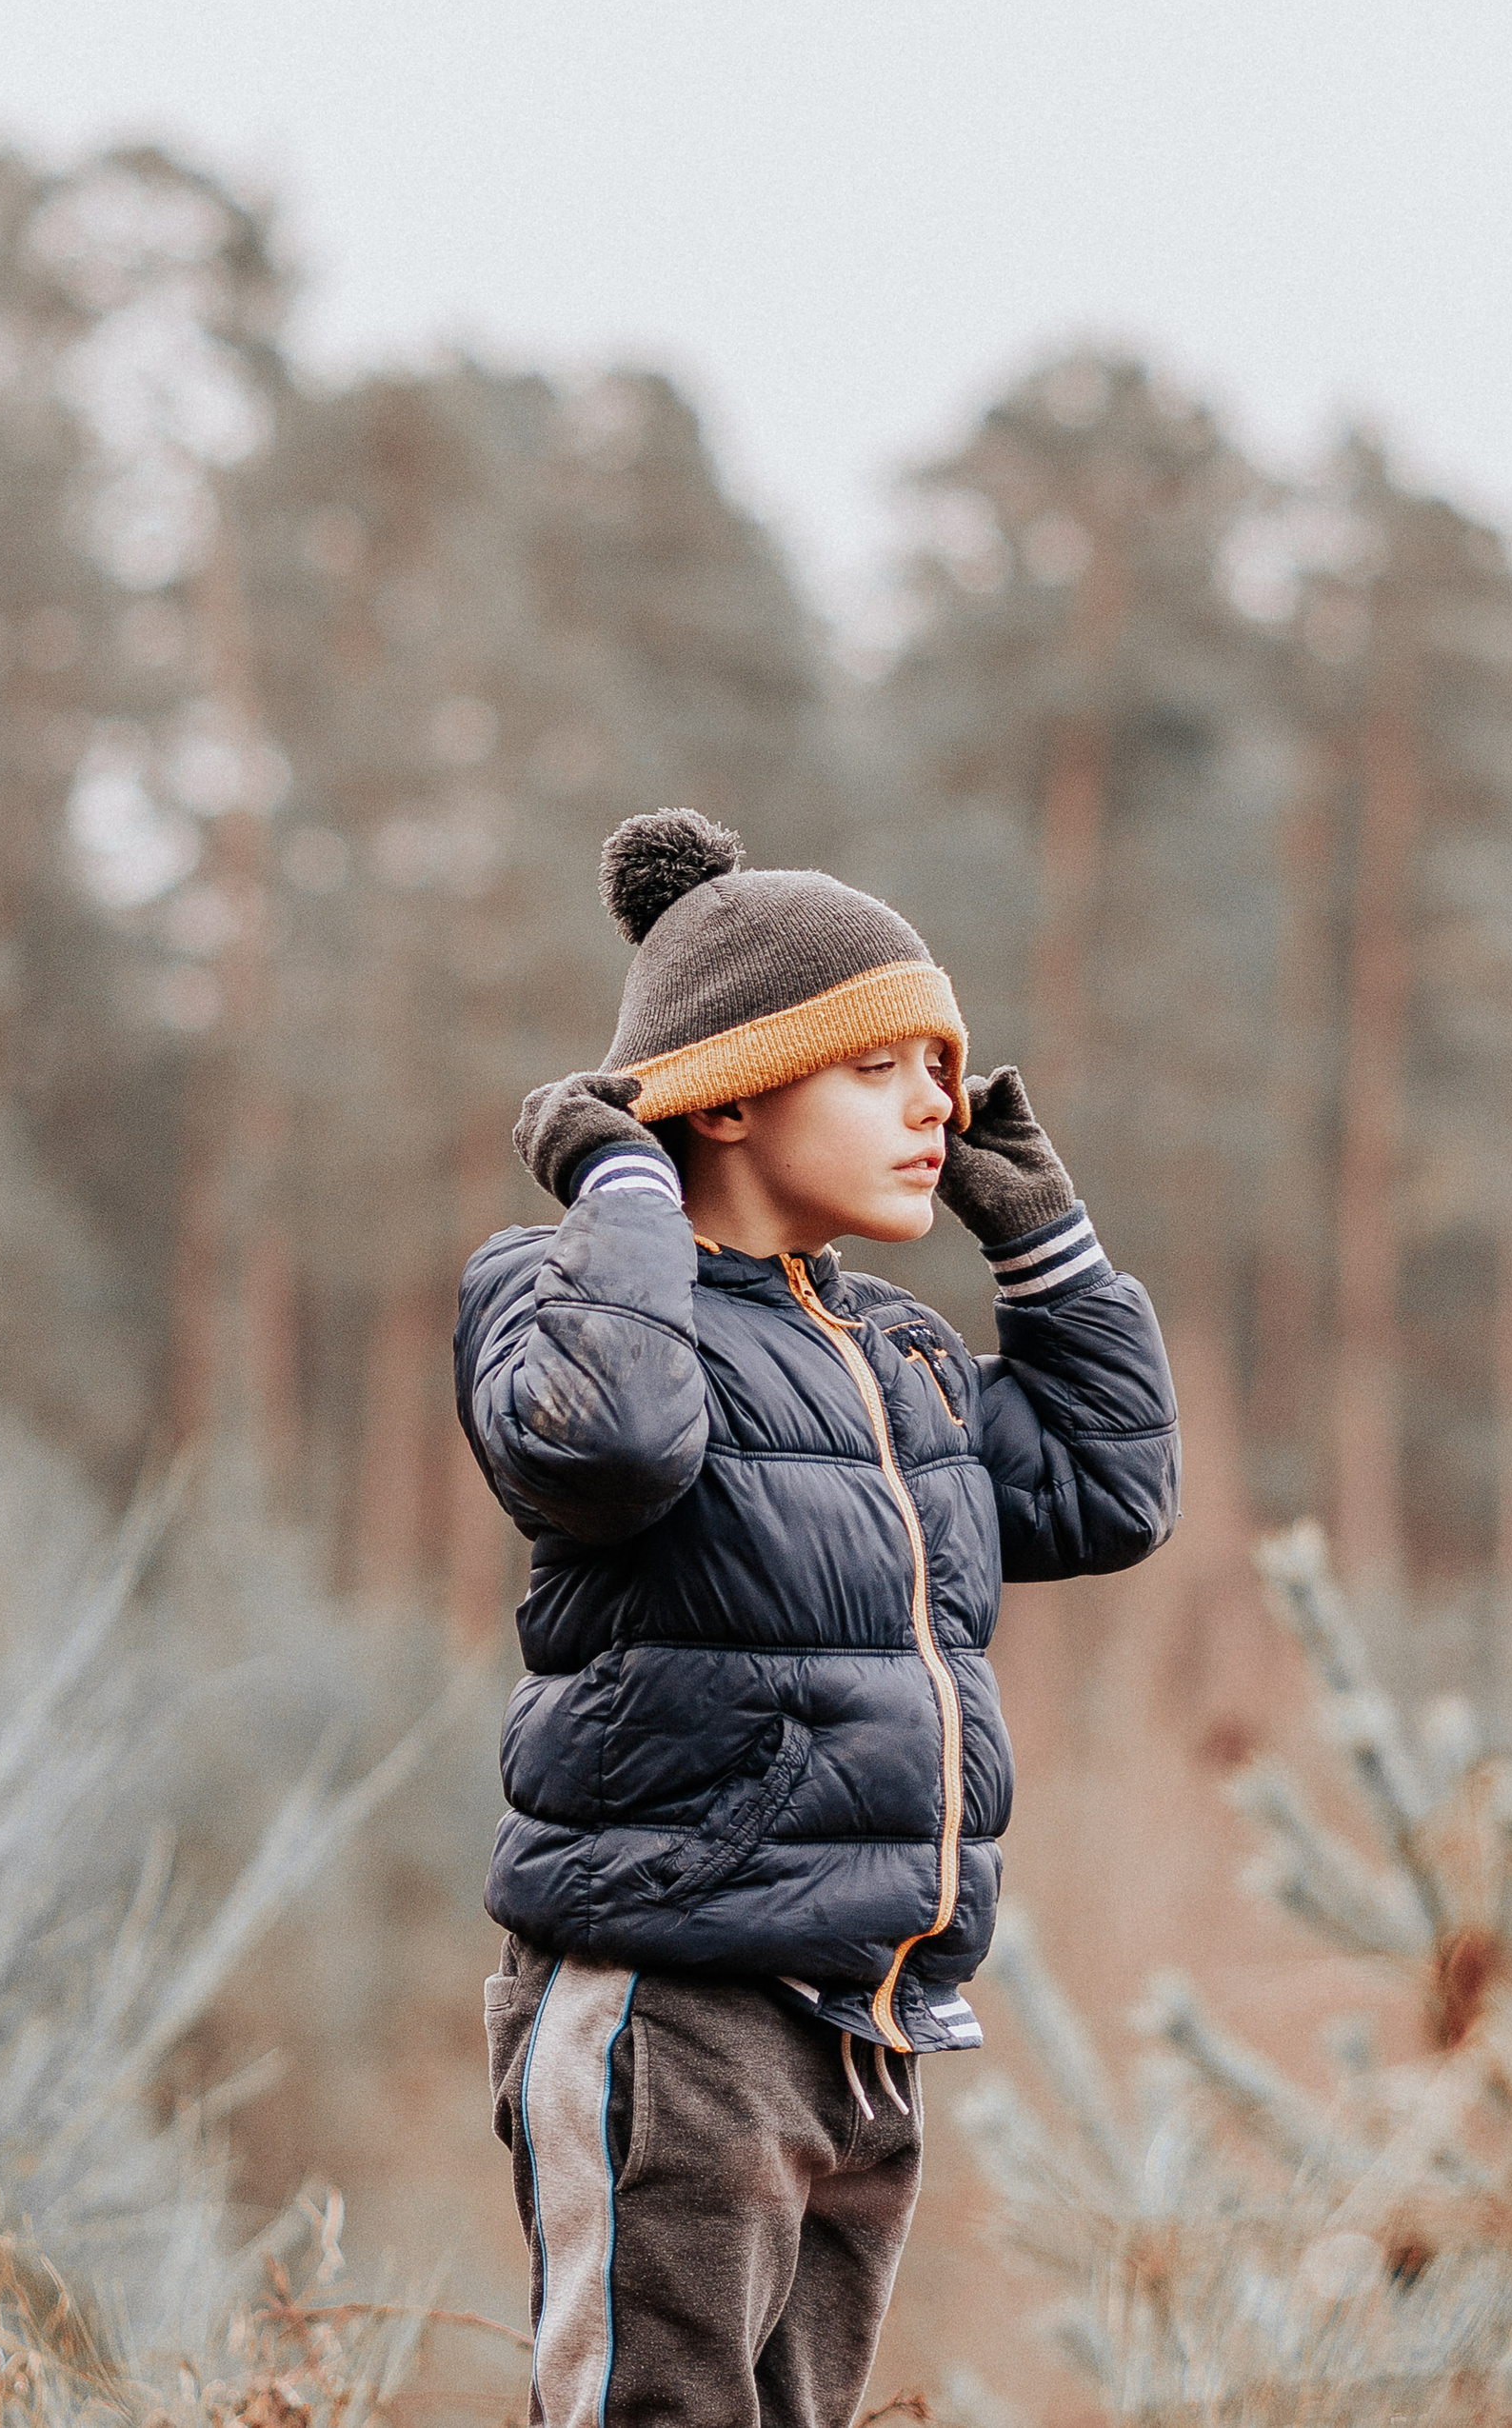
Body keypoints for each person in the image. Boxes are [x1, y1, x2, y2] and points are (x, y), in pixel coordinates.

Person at [455, 806, 1180, 2428]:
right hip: (672, 2004)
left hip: (864, 2015)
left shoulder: (900, 1352)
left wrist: (1048, 1249)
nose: (938, 1102)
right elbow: (617, 1436)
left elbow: (1108, 1491)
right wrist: (624, 1176)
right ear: (729, 1092)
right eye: (882, 1067)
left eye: (943, 1066)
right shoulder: (555, 1293)